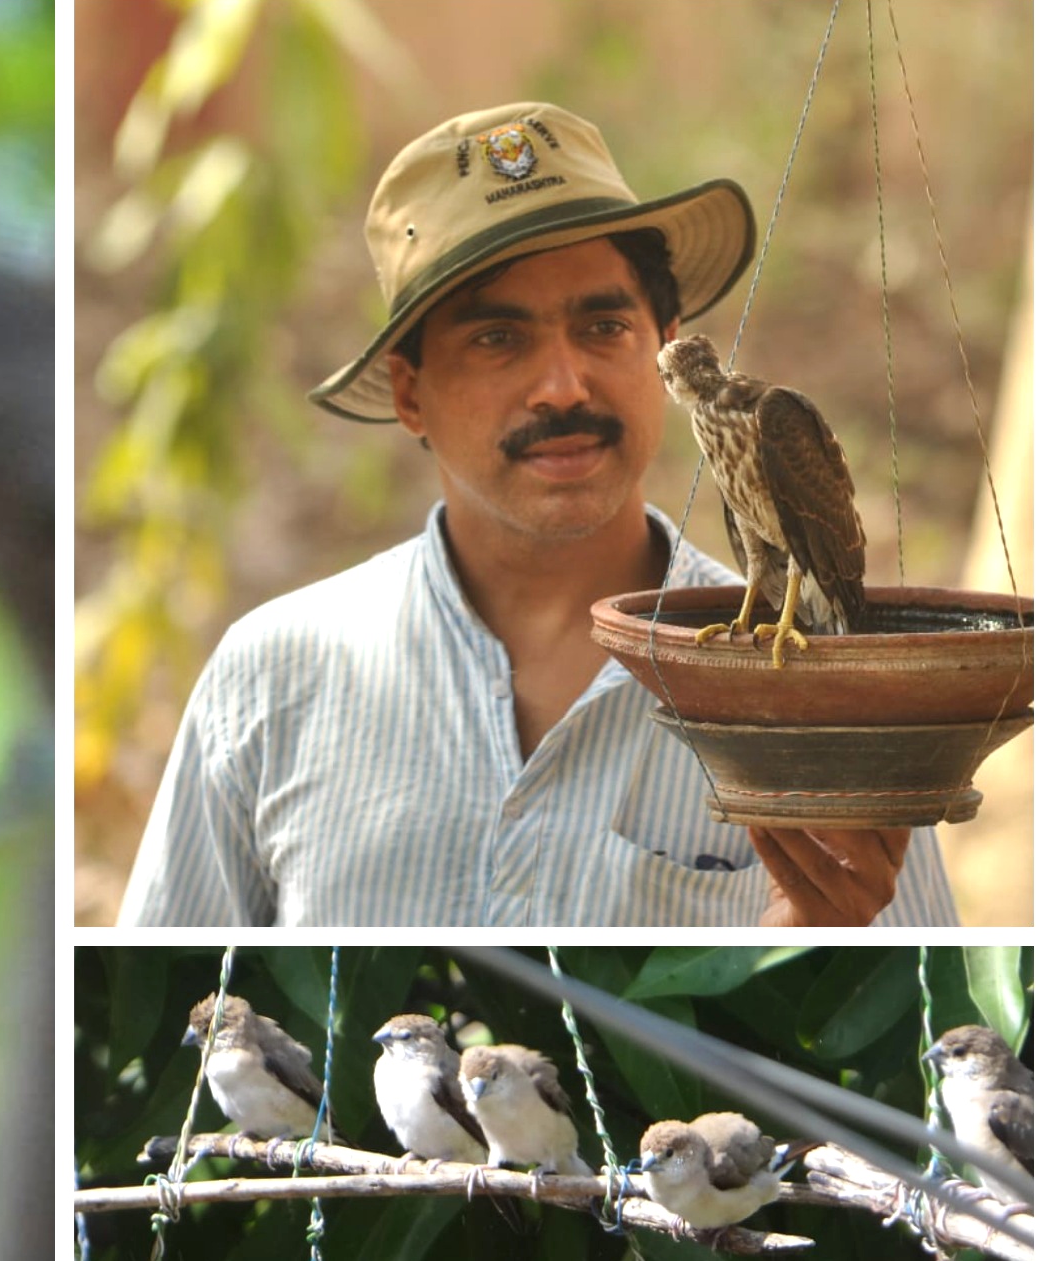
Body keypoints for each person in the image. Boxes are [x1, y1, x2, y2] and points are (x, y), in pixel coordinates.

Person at [117, 102, 957, 928]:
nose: (563, 386)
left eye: (603, 325)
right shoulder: (269, 676)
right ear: (411, 394)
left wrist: (811, 945)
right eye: (497, 338)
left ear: (661, 345)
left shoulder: (821, 687)